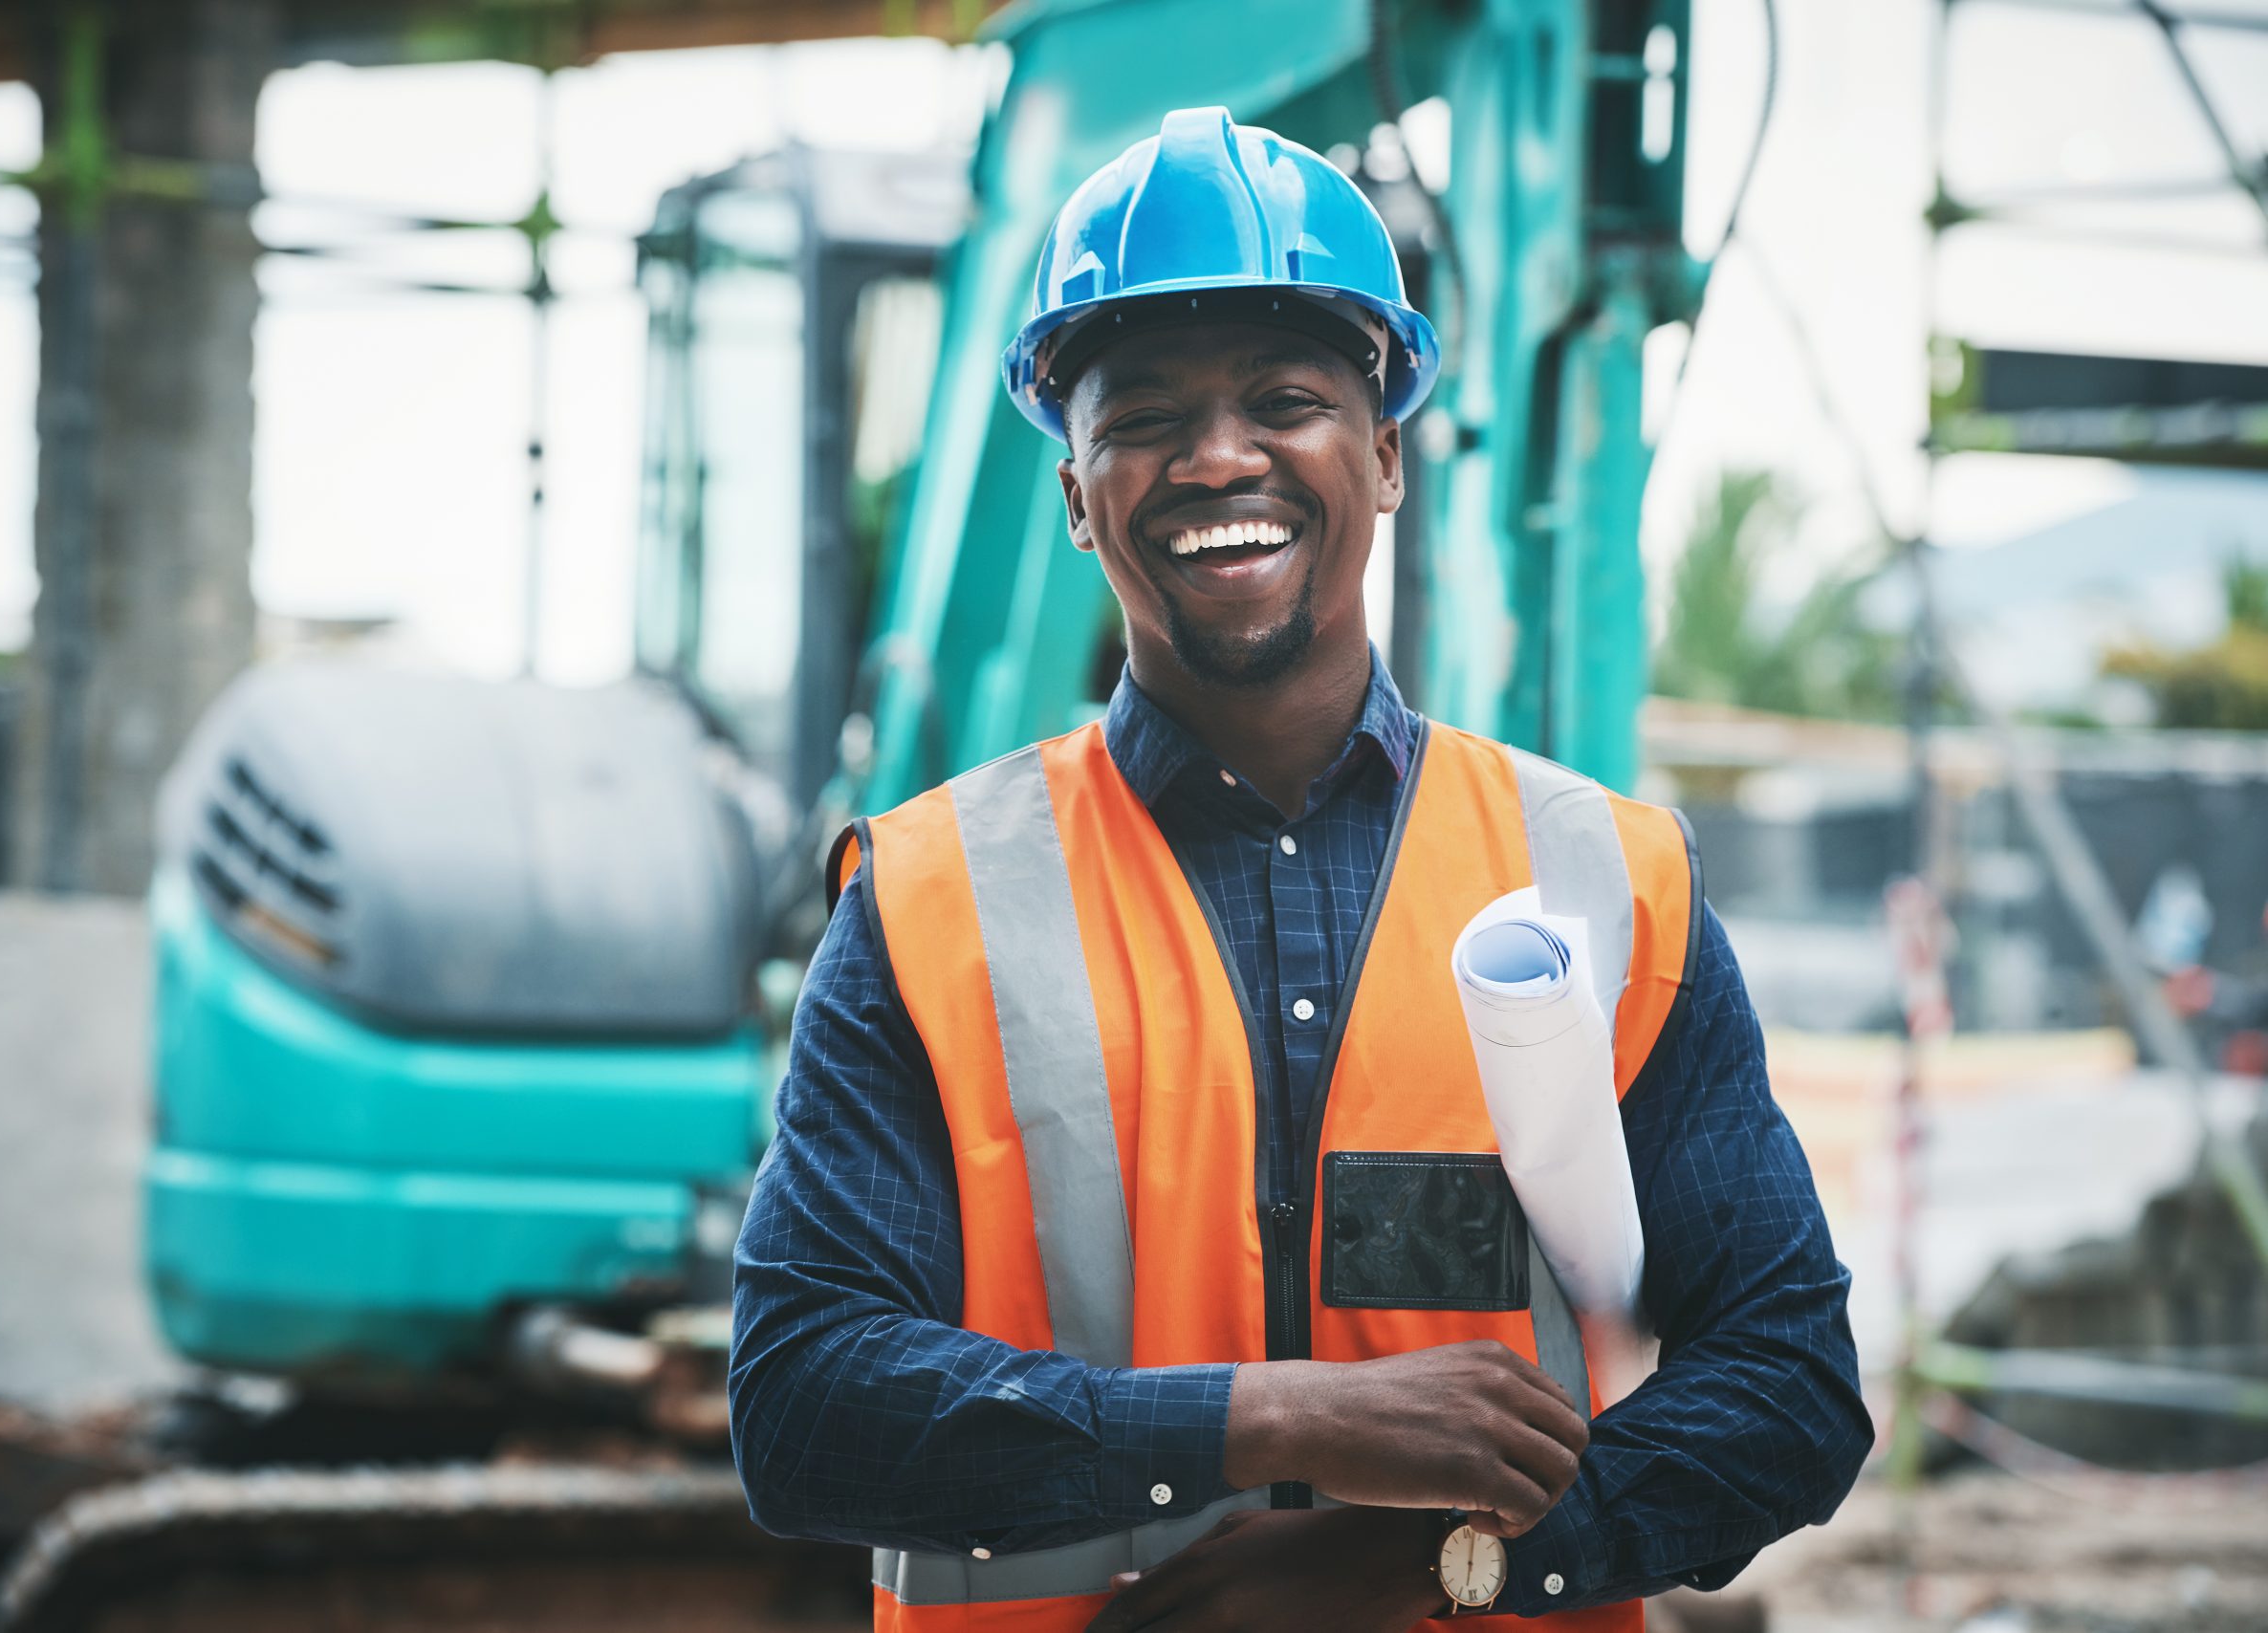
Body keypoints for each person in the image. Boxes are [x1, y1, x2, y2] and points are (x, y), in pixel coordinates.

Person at [731, 108, 1867, 1632]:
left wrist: (1425, 1560)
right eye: (1140, 417)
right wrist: (1272, 1422)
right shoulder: (926, 904)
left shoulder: (1609, 882)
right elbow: (803, 1406)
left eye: (1285, 397)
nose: (1217, 457)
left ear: (1384, 456)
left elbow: (1789, 1379)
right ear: (1076, 493)